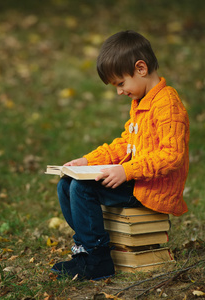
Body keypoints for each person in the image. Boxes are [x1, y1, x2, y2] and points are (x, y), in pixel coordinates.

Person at [51, 30, 190, 280]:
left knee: (82, 190)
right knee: (66, 184)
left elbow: (172, 155)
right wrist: (88, 161)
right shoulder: (142, 102)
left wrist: (126, 171)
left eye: (120, 84)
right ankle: (85, 251)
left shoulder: (167, 104)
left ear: (141, 68)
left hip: (151, 187)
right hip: (137, 180)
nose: (119, 92)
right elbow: (126, 144)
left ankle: (98, 259)